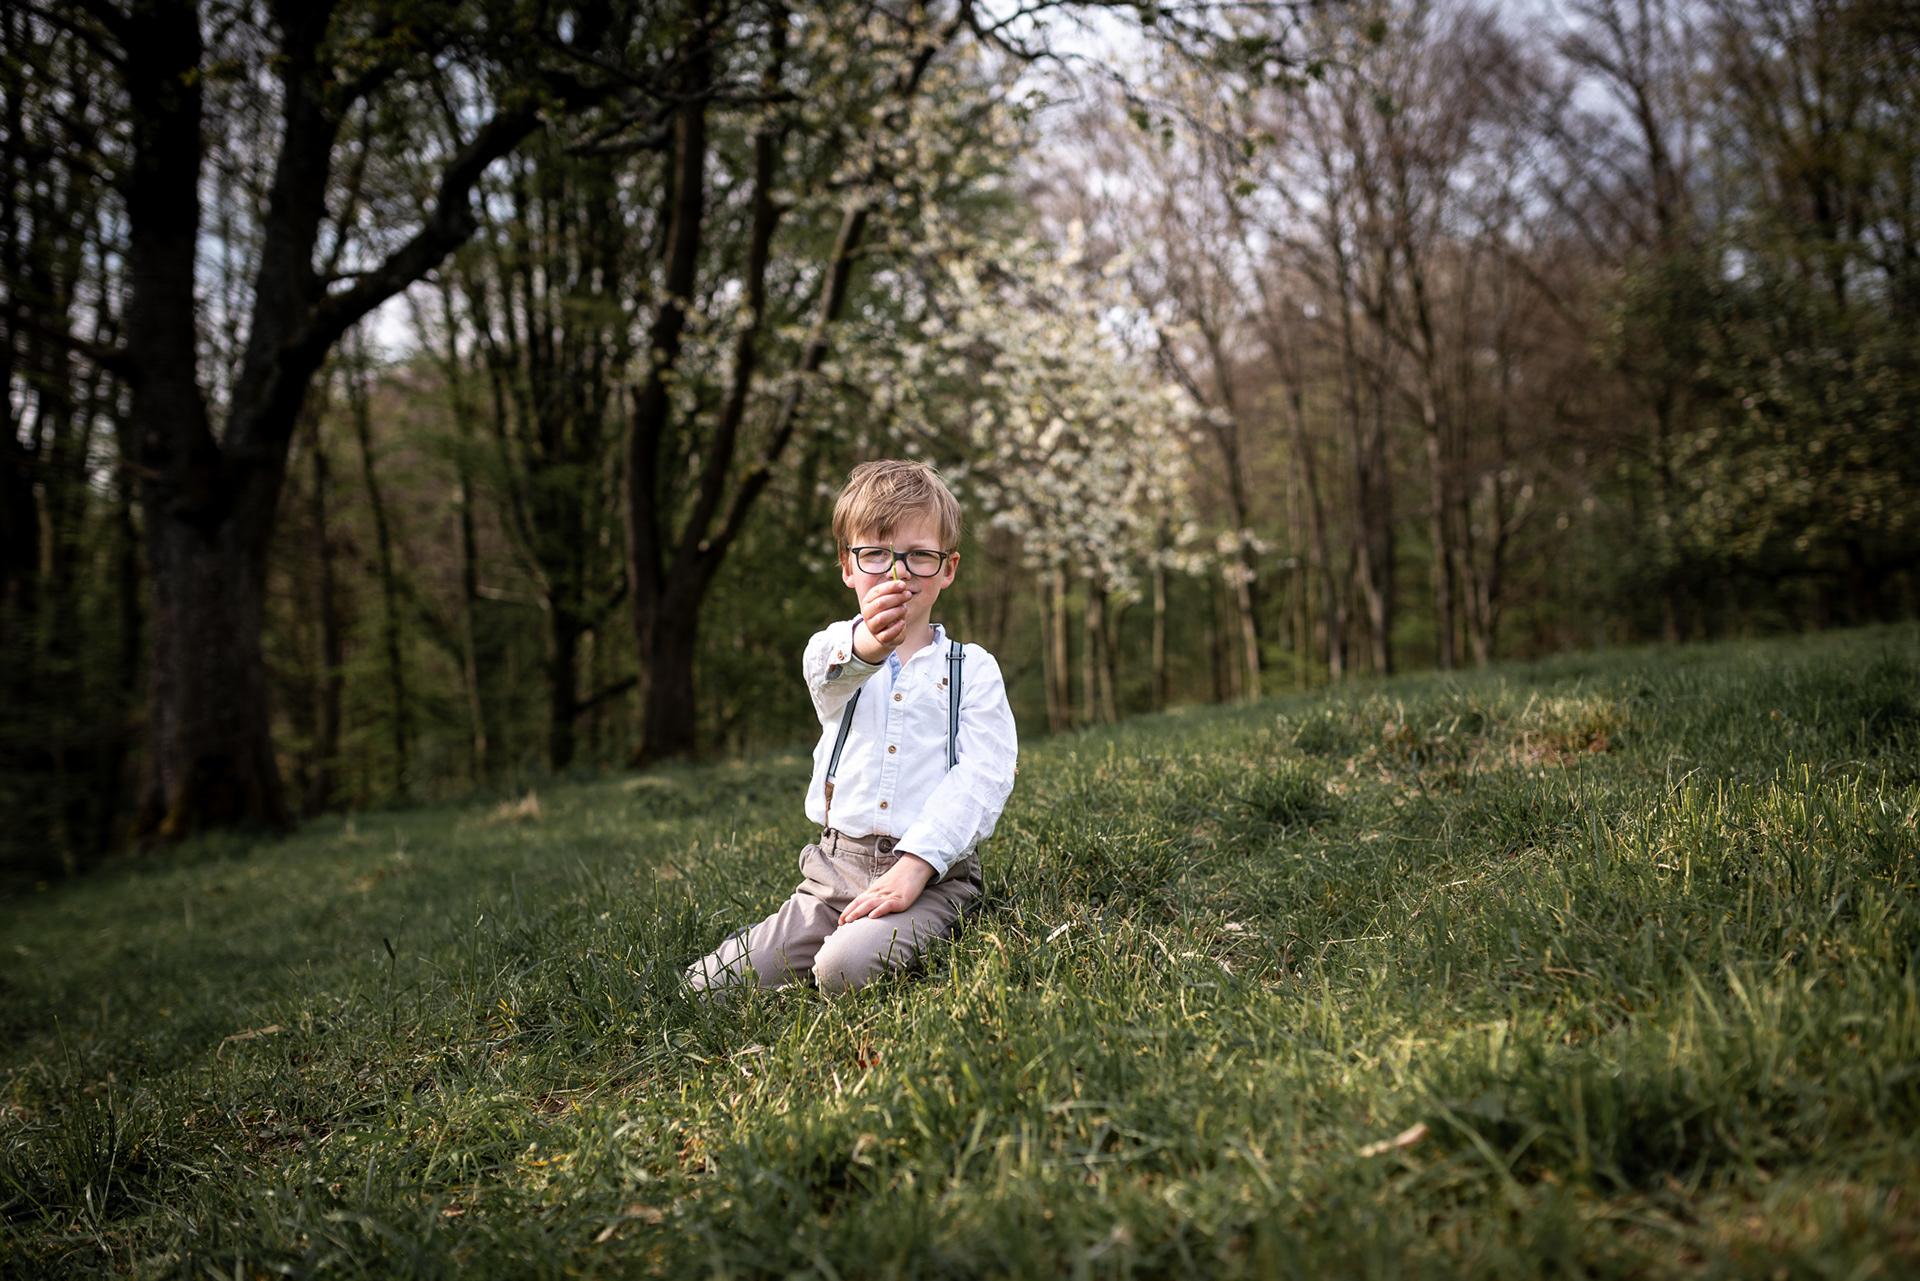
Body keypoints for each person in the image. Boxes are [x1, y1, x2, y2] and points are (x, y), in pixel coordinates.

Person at [684, 460, 1019, 995]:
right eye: (876, 554)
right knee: (710, 986)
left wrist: (914, 868)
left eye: (919, 556)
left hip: (931, 875)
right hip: (832, 876)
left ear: (948, 568)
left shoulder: (972, 669)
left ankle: (926, 922)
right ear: (847, 565)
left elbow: (983, 776)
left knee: (844, 968)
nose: (897, 572)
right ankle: (828, 938)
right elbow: (830, 679)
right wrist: (869, 645)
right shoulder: (833, 650)